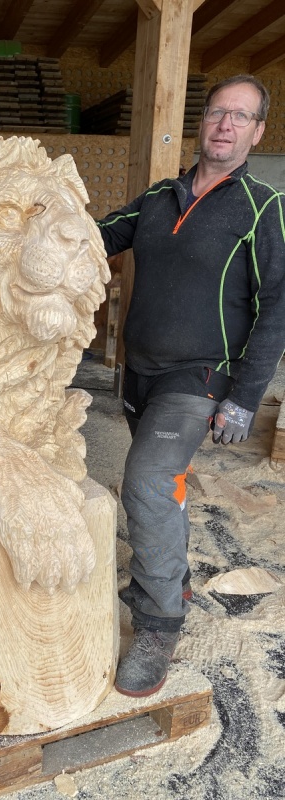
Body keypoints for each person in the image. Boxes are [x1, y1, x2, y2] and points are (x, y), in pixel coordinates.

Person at [97, 74, 285, 696]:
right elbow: (98, 237)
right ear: (202, 123)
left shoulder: (262, 206)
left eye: (241, 116)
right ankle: (172, 581)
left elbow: (277, 307)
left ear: (257, 132)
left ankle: (158, 625)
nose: (226, 124)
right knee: (166, 487)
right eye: (217, 113)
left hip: (201, 376)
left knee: (148, 481)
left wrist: (244, 397)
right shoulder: (158, 197)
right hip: (140, 373)